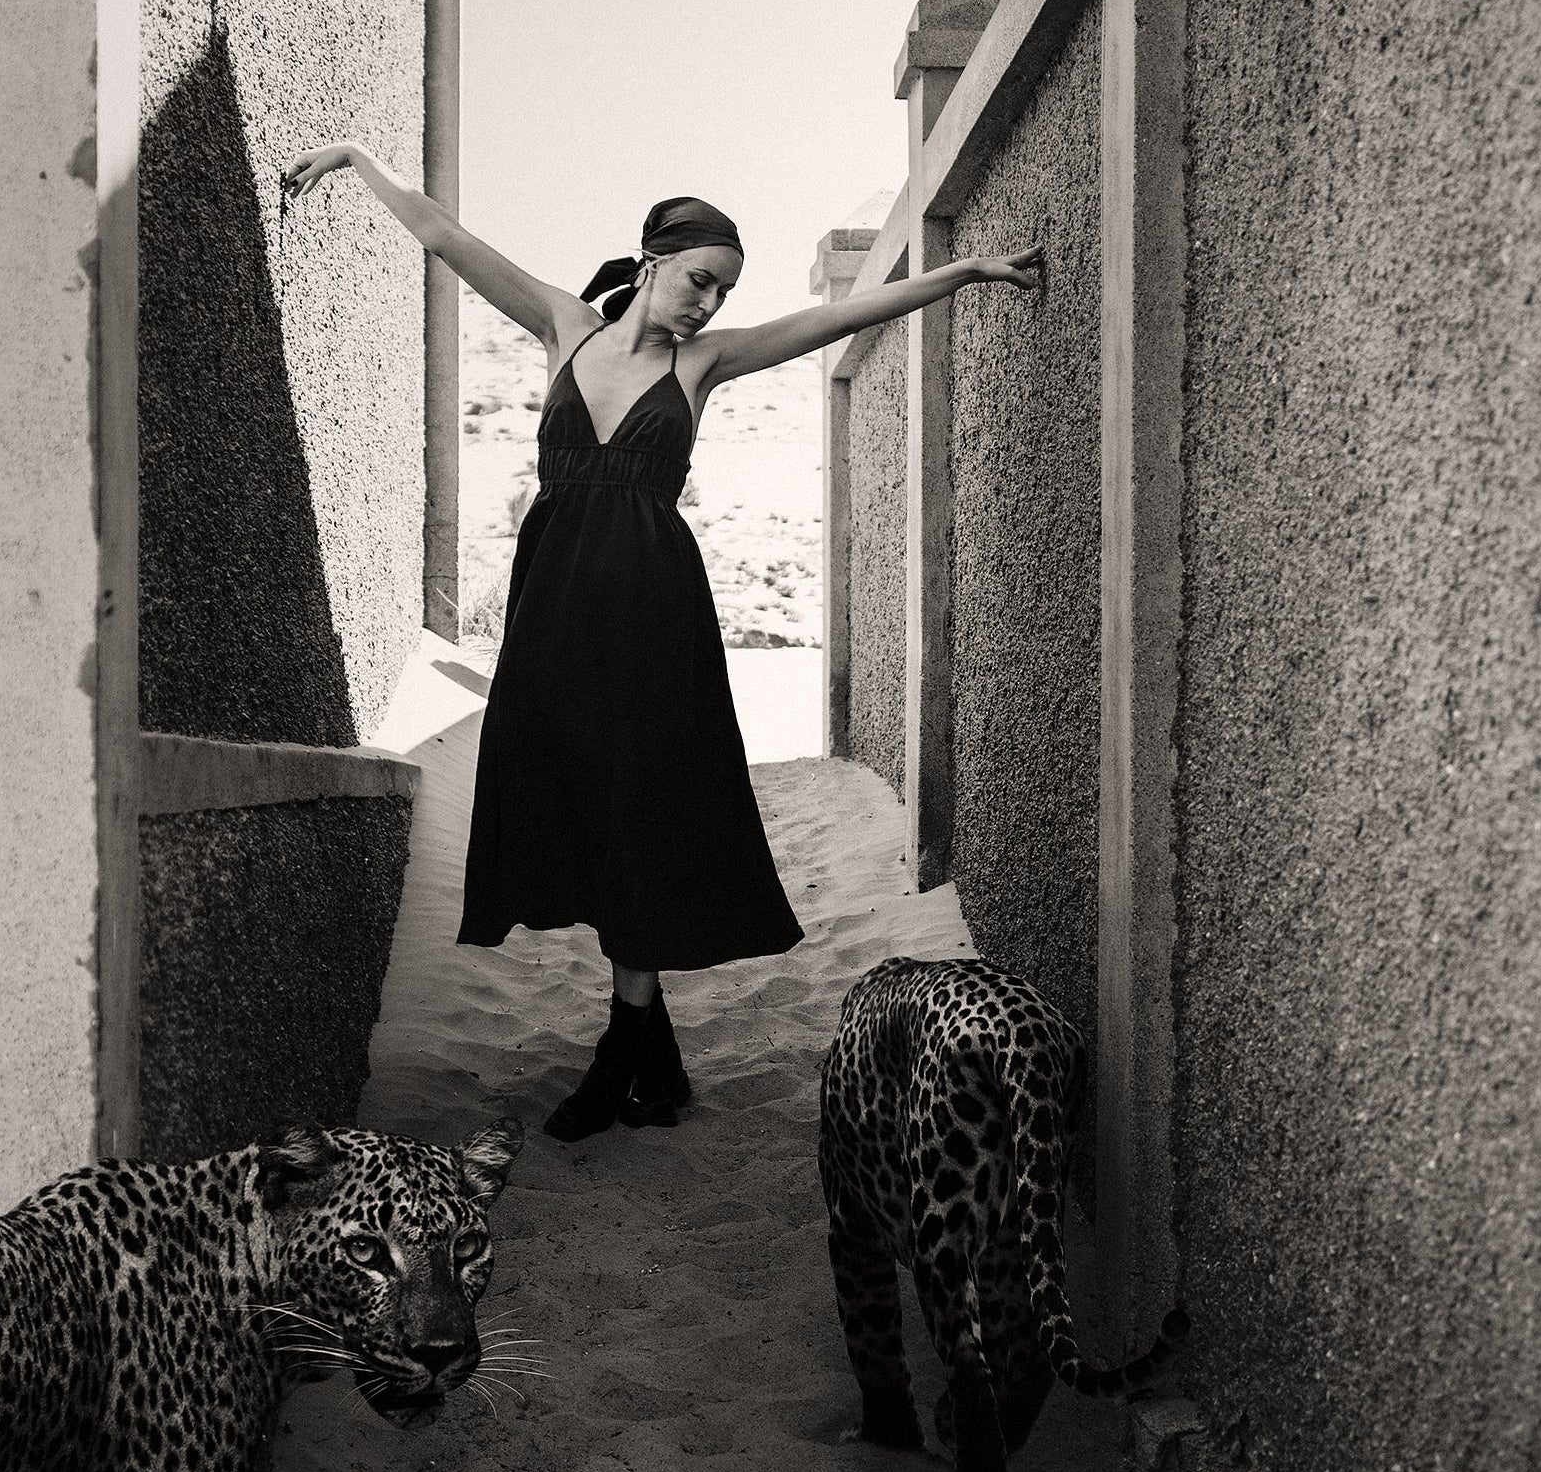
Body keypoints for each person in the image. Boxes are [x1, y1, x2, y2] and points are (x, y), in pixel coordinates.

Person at [279, 143, 1045, 1140]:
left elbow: (838, 317)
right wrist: (353, 159)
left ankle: (619, 1052)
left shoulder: (705, 364)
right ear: (650, 262)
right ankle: (656, 1052)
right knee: (574, 804)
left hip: (652, 618)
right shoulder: (562, 325)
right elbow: (444, 236)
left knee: (637, 812)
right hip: (551, 614)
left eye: (721, 294)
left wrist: (962, 272)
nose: (706, 306)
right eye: (697, 281)